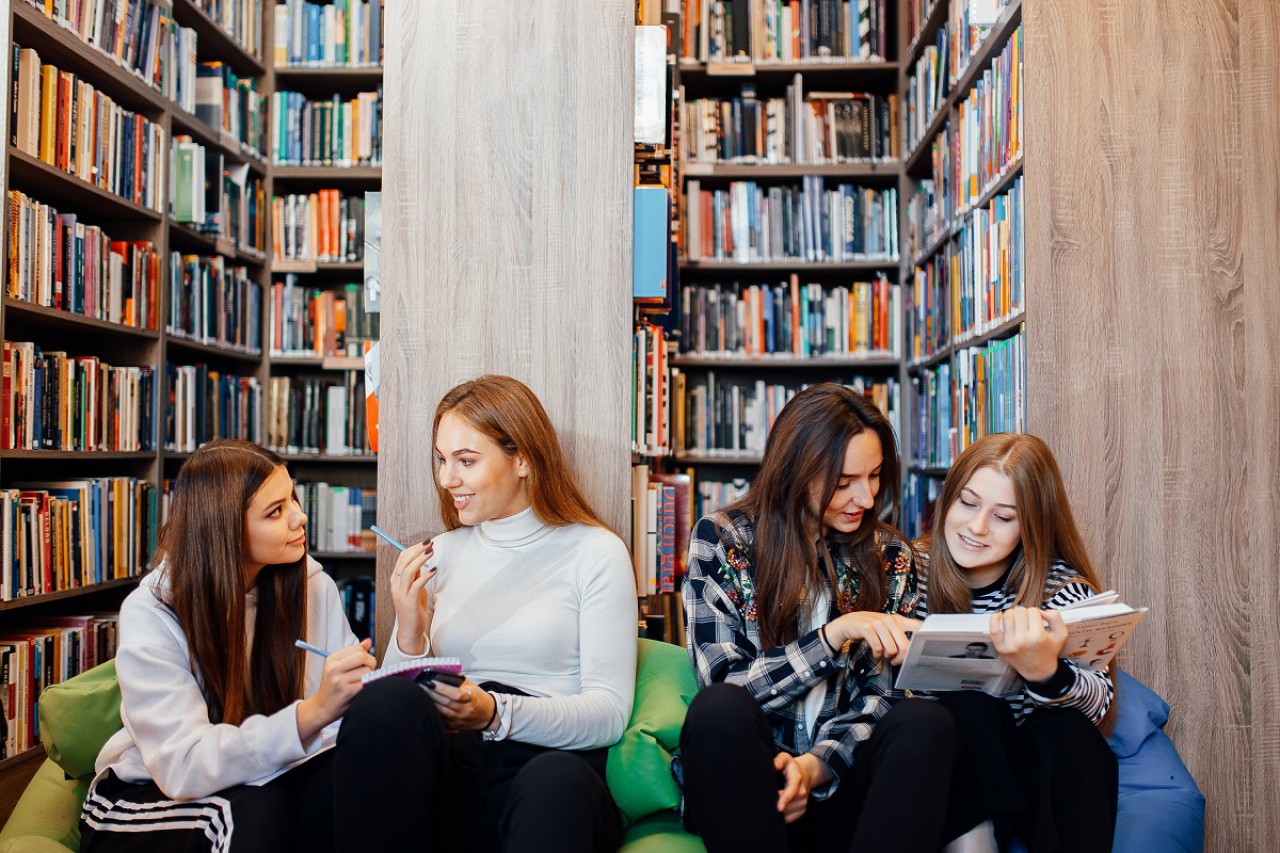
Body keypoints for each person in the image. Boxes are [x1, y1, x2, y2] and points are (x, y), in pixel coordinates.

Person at [336, 375, 637, 852]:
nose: (446, 480)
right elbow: (393, 723)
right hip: (453, 759)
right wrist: (410, 631)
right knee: (385, 704)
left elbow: (609, 714)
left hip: (546, 763)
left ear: (522, 459)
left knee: (555, 784)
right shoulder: (441, 554)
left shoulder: (596, 552)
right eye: (441, 460)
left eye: (466, 461)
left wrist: (495, 713)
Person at [678, 382, 960, 853]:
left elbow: (883, 697)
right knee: (718, 711)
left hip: (847, 788)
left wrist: (815, 767)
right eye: (844, 482)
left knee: (924, 720)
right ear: (795, 469)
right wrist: (832, 637)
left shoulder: (890, 554)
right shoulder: (723, 539)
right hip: (753, 787)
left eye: (874, 476)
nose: (866, 498)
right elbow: (727, 680)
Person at [81, 440, 374, 853]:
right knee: (253, 811)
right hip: (147, 797)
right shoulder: (153, 611)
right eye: (276, 511)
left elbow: (340, 731)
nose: (301, 516)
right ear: (225, 530)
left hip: (262, 779)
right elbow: (182, 766)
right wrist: (312, 714)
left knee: (349, 784)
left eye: (292, 498)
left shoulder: (312, 587)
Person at [917, 432, 1118, 853]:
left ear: (1031, 527)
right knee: (966, 705)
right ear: (947, 499)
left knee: (1072, 732)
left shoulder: (1059, 590)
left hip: (1028, 772)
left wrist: (1046, 672)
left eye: (1003, 517)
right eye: (967, 503)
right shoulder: (912, 572)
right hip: (947, 768)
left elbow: (1099, 706)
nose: (977, 528)